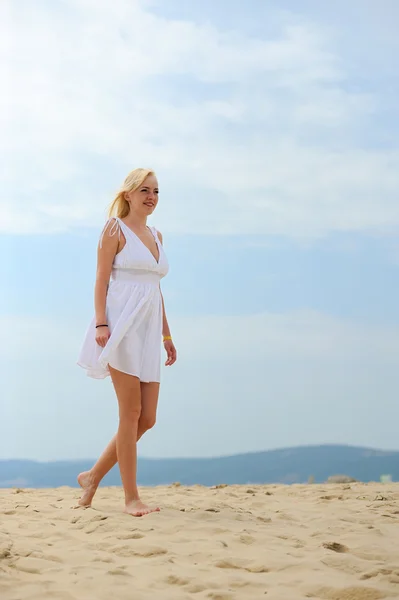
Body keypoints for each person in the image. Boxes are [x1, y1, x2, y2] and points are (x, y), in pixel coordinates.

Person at [77, 168, 177, 517]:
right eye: (145, 190)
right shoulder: (114, 229)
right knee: (129, 412)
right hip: (120, 326)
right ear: (129, 194)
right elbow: (101, 280)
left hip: (149, 330)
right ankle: (131, 498)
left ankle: (91, 476)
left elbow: (156, 290)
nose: (151, 196)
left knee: (147, 418)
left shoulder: (156, 235)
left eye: (156, 191)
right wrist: (101, 323)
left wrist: (166, 335)